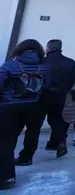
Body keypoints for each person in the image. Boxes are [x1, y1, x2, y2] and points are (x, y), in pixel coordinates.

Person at [15, 39, 75, 164]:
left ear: (48, 48)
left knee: (34, 126)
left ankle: (27, 156)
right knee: (57, 120)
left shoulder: (42, 61)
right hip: (59, 96)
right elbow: (73, 79)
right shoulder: (69, 62)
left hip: (40, 97)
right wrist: (64, 89)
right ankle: (60, 143)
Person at [0, 39, 48, 190]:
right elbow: (47, 86)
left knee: (5, 141)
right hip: (31, 106)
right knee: (12, 139)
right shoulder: (44, 68)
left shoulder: (10, 65)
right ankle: (14, 162)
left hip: (9, 107)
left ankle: (6, 177)